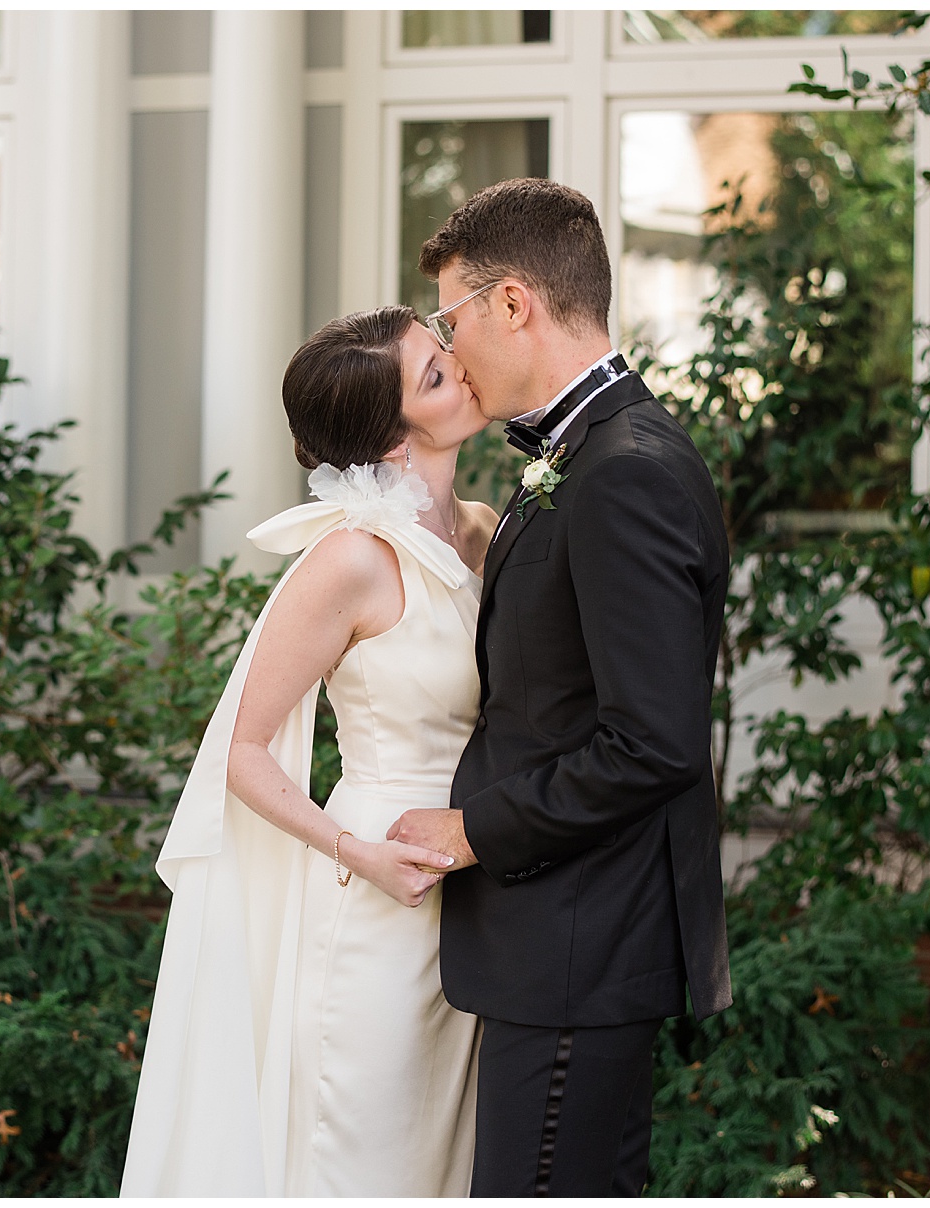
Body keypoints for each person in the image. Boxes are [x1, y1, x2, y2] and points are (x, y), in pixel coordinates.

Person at [387, 176, 733, 1197]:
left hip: (583, 939)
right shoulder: (583, 455)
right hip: (562, 938)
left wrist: (472, 829)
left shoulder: (625, 468)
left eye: (449, 319)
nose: (446, 353)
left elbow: (652, 742)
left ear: (511, 303)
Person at [120, 307, 497, 1196]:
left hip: (482, 878)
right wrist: (356, 852)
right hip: (379, 889)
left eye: (440, 349)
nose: (461, 364)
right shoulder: (351, 561)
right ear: (395, 443)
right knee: (368, 1158)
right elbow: (244, 754)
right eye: (435, 376)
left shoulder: (484, 531)